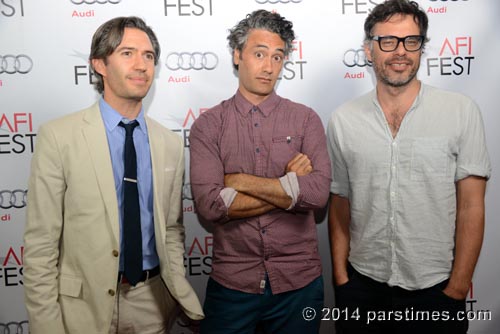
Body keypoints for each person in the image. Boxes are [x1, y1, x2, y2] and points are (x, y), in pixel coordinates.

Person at [23, 16, 203, 334]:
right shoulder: (59, 137)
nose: (141, 64)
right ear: (99, 65)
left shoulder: (170, 144)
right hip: (81, 309)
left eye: (148, 56)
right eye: (127, 53)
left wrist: (175, 287)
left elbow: (172, 229)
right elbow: (41, 245)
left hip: (153, 302)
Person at [326, 1, 491, 333]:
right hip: (363, 288)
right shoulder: (342, 119)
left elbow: (471, 205)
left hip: (436, 291)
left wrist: (457, 288)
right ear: (369, 50)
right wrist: (342, 280)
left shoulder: (461, 111)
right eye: (388, 41)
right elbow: (340, 202)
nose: (400, 51)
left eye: (411, 41)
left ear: (421, 48)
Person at [189, 9, 331, 334]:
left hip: (299, 285)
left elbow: (318, 194)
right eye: (259, 54)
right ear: (238, 55)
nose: (269, 67)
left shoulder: (306, 119)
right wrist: (288, 187)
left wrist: (239, 183)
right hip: (233, 287)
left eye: (278, 57)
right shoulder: (208, 125)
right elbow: (211, 205)